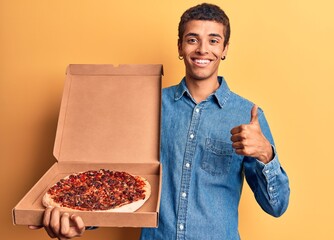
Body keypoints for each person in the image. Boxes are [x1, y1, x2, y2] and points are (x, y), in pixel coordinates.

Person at [30, 3, 290, 240]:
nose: (202, 49)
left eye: (213, 40)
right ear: (180, 47)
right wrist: (82, 221)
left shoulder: (248, 116)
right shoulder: (149, 107)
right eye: (192, 39)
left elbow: (276, 207)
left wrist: (266, 155)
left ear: (224, 50)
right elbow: (118, 184)